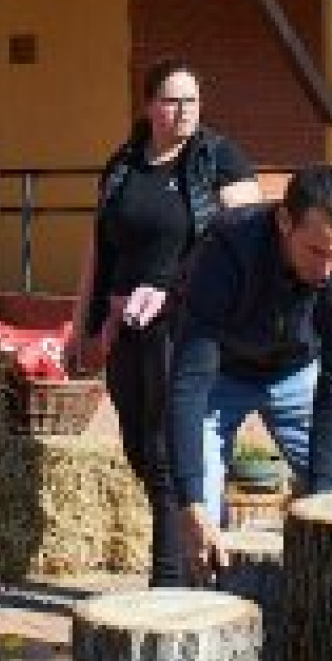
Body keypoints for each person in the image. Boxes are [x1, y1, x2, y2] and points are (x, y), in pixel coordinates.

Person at [67, 58, 261, 586]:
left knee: (167, 448)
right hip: (125, 323)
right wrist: (82, 324)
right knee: (139, 448)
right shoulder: (123, 165)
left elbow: (247, 236)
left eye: (192, 101)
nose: (184, 111)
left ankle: (170, 581)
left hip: (186, 323)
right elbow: (99, 249)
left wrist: (175, 288)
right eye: (173, 101)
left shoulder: (217, 159)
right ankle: (196, 553)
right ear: (149, 105)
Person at [166, 162, 332, 583]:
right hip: (219, 374)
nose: (328, 270)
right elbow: (189, 380)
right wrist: (190, 499)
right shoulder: (226, 250)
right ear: (284, 221)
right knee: (201, 517)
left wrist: (321, 493)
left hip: (296, 373)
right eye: (316, 251)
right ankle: (206, 600)